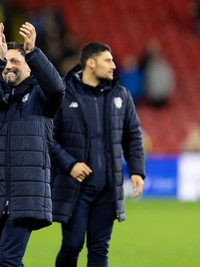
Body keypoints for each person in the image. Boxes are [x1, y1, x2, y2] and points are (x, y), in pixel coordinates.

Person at [0, 22, 65, 266]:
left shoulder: (41, 98)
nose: (9, 66)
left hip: (26, 195)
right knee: (3, 262)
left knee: (9, 260)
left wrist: (33, 53)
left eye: (15, 62)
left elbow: (57, 89)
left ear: (29, 68)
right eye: (6, 62)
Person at [51, 42, 145, 267]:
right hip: (76, 188)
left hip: (107, 188)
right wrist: (70, 164)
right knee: (72, 245)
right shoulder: (63, 96)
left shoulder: (121, 95)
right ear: (90, 63)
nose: (114, 65)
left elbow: (133, 135)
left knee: (99, 248)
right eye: (108, 60)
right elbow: (47, 137)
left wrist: (136, 171)